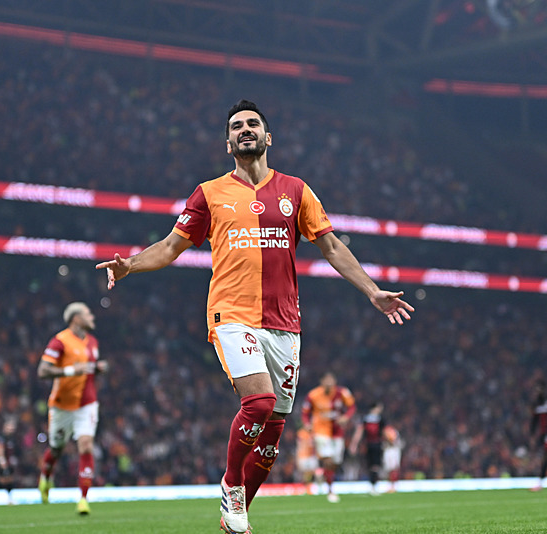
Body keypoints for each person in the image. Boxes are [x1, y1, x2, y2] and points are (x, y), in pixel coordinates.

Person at [96, 99, 414, 534]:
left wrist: (372, 290)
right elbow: (171, 246)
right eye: (236, 126)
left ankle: (238, 511)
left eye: (252, 124)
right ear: (228, 143)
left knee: (272, 434)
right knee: (260, 402)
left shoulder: (296, 190)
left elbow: (331, 246)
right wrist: (129, 265)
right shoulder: (209, 193)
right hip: (232, 315)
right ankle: (231, 484)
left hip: (284, 323)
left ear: (268, 137)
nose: (244, 129)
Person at [37, 302, 109, 515]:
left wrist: (97, 368)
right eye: (88, 314)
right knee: (56, 449)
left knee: (86, 445)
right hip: (61, 406)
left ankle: (83, 499)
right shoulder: (60, 341)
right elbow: (42, 371)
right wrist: (70, 371)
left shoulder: (93, 342)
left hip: (87, 404)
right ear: (76, 318)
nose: (92, 317)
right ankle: (46, 477)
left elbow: (87, 369)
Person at [301, 372, 356, 503]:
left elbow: (352, 407)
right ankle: (330, 490)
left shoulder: (342, 393)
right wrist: (307, 424)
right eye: (326, 380)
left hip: (337, 432)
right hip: (321, 431)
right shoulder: (313, 395)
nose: (329, 383)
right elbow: (305, 412)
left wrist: (346, 417)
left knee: (336, 462)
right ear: (322, 382)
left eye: (331, 380)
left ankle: (324, 475)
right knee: (328, 459)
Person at [349, 401, 387, 496]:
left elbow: (359, 432)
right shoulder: (379, 419)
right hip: (375, 444)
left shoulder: (366, 419)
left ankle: (373, 485)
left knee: (372, 466)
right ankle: (374, 485)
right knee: (374, 466)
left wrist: (354, 444)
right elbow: (385, 432)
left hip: (369, 444)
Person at [295, 426, 318, 491]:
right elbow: (299, 446)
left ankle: (310, 486)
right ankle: (305, 487)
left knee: (312, 472)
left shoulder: (314, 432)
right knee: (305, 473)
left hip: (311, 456)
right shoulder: (301, 433)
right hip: (303, 456)